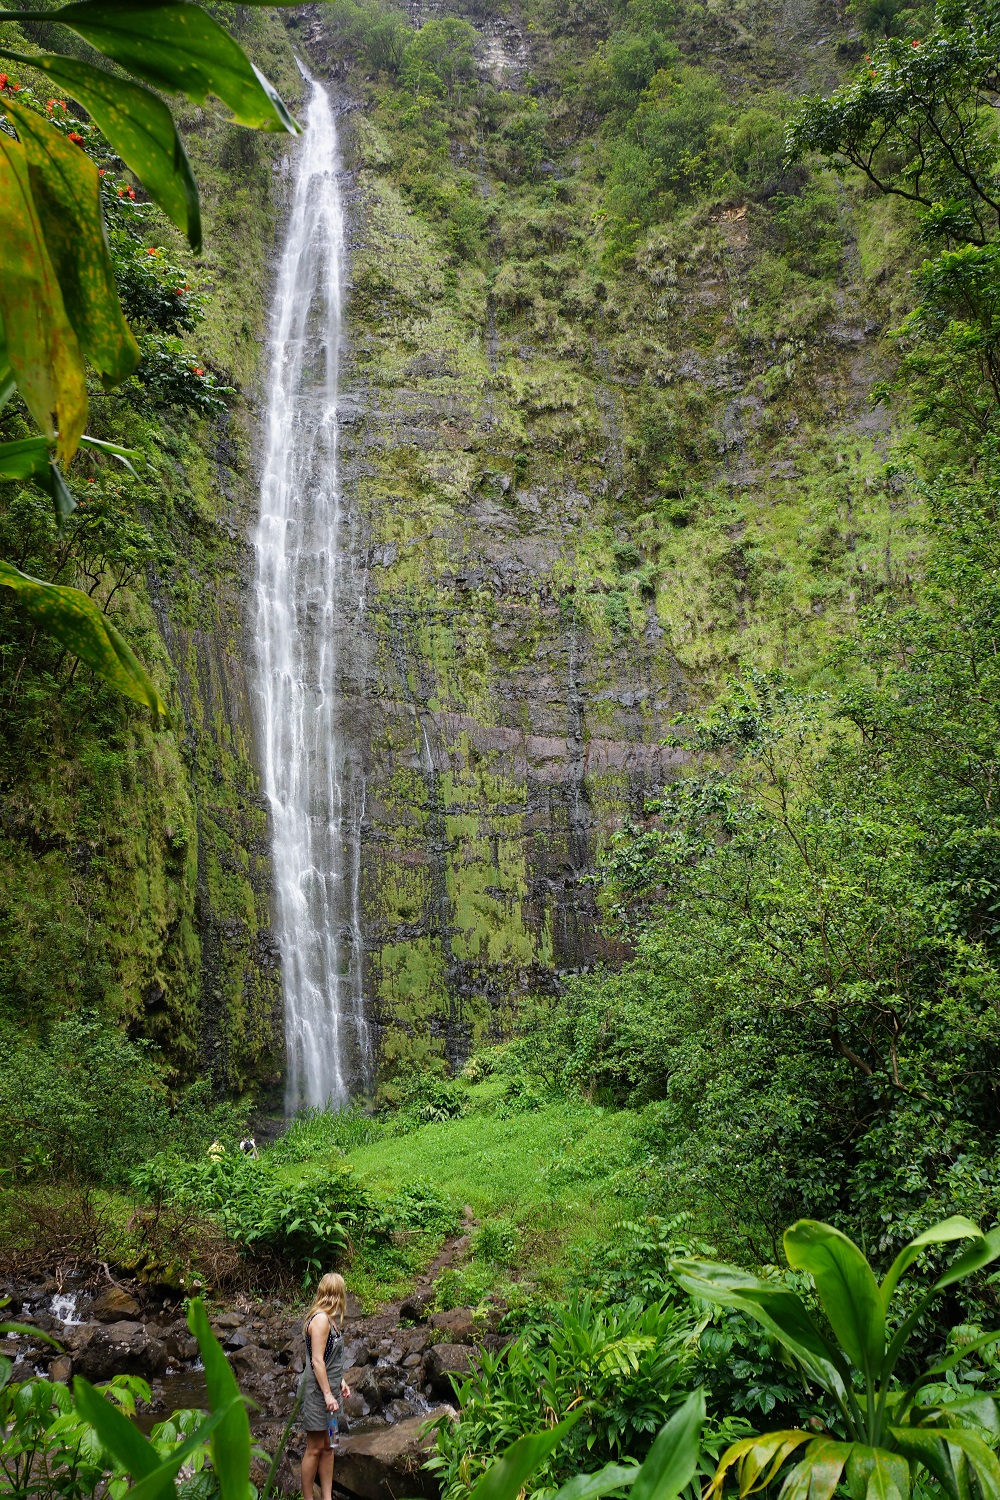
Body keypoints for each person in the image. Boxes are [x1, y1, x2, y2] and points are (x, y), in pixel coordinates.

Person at [299, 1272, 351, 1500]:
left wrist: (341, 1381)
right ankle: (308, 1498)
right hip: (318, 1396)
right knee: (315, 1448)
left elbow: (329, 1359)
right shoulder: (320, 1319)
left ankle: (327, 1497)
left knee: (330, 1445)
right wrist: (328, 1395)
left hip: (331, 1395)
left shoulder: (331, 1319)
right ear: (337, 1293)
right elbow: (316, 1360)